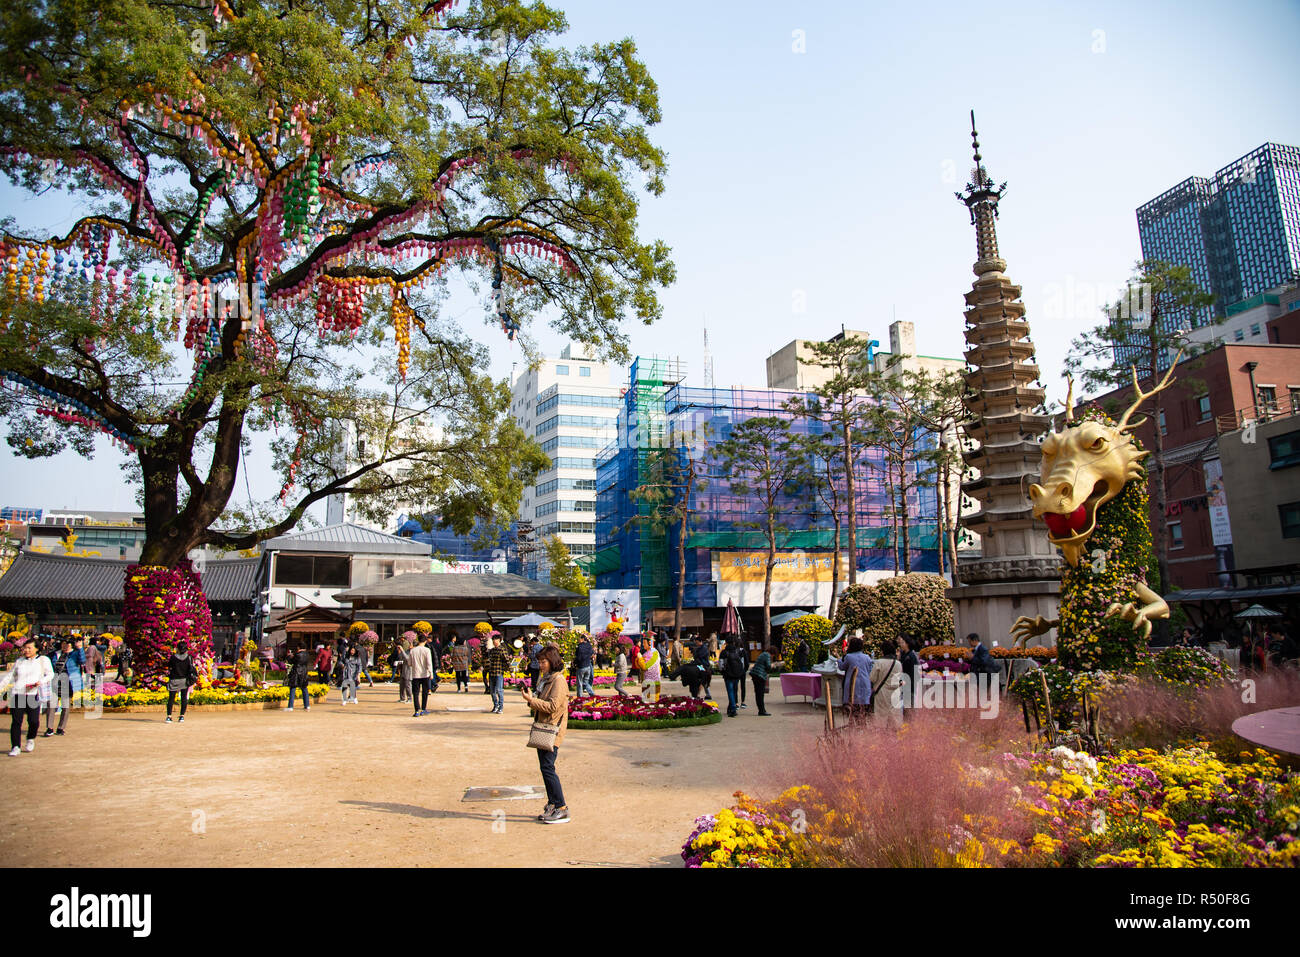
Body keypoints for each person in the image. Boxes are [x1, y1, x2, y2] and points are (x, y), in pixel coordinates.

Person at [521, 645, 570, 825]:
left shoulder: (558, 681)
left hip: (552, 730)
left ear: (552, 661)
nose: (541, 665)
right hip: (543, 727)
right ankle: (552, 803)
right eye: (539, 661)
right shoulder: (547, 678)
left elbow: (552, 706)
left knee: (548, 768)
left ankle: (561, 807)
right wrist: (531, 698)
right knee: (544, 767)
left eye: (544, 661)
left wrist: (532, 701)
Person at [2, 638, 53, 756]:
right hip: (18, 694)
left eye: (29, 648)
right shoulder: (19, 661)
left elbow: (50, 674)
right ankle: (15, 746)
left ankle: (30, 738)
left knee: (34, 721)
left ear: (37, 648)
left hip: (33, 694)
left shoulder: (43, 660)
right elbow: (10, 676)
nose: (26, 650)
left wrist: (41, 681)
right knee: (16, 721)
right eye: (25, 648)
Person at [43, 639, 74, 737]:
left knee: (65, 706)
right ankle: (49, 728)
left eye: (68, 644)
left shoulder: (73, 655)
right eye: (64, 644)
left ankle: (61, 728)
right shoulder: (53, 655)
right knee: (51, 705)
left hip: (67, 682)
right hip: (54, 682)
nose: (65, 646)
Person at [871, 638, 904, 728]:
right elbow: (899, 679)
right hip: (895, 693)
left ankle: (882, 737)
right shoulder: (898, 664)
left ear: (883, 651)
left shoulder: (879, 663)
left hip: (881, 693)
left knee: (881, 718)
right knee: (894, 718)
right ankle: (895, 737)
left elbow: (872, 678)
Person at [838, 637, 874, 721]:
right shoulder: (867, 657)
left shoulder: (849, 657)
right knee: (863, 705)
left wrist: (839, 660)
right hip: (865, 683)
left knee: (853, 705)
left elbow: (842, 667)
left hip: (852, 683)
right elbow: (870, 669)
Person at [165, 639, 199, 723]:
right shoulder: (189, 658)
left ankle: (169, 716)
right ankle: (181, 716)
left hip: (174, 680)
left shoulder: (173, 657)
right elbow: (190, 669)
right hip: (184, 680)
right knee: (184, 698)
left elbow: (169, 667)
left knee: (171, 699)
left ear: (178, 649)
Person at [720, 636, 748, 717]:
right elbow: (742, 663)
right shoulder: (738, 651)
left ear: (726, 642)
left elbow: (721, 665)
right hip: (737, 674)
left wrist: (722, 672)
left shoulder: (724, 652)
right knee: (734, 691)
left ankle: (733, 708)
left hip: (728, 674)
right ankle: (731, 708)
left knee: (730, 691)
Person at [483, 634, 511, 715]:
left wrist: (511, 671)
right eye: (493, 640)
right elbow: (487, 660)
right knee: (492, 691)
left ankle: (500, 707)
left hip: (499, 672)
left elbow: (507, 660)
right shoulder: (491, 650)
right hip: (491, 672)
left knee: (499, 690)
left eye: (495, 640)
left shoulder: (502, 649)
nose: (494, 641)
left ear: (499, 640)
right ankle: (495, 706)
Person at [409, 634, 433, 716]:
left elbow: (409, 663)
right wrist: (431, 673)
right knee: (425, 692)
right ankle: (423, 709)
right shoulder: (427, 650)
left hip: (415, 674)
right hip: (425, 674)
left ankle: (416, 710)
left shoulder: (413, 650)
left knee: (415, 693)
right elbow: (429, 663)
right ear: (425, 641)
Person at [750, 643, 777, 716]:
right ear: (772, 653)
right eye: (773, 655)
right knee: (760, 694)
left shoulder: (763, 654)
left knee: (758, 693)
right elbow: (768, 667)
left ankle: (761, 710)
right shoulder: (767, 655)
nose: (772, 656)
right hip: (759, 676)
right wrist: (773, 665)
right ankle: (762, 711)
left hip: (755, 674)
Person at [635, 635, 662, 702]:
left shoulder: (654, 653)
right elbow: (639, 666)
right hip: (647, 680)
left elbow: (645, 666)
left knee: (652, 702)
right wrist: (638, 659)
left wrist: (640, 658)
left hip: (653, 681)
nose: (643, 645)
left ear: (650, 643)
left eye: (644, 643)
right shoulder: (647, 653)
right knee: (646, 702)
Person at [898, 635, 920, 716]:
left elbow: (915, 671)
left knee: (910, 706)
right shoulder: (903, 654)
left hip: (910, 685)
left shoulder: (912, 655)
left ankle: (911, 724)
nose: (901, 644)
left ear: (907, 644)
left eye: (903, 642)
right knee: (905, 706)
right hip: (903, 684)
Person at [285, 645, 312, 711]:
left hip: (296, 672)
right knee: (304, 688)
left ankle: (290, 706)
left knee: (293, 688)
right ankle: (307, 705)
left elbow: (291, 662)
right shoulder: (307, 655)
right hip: (304, 672)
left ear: (298, 647)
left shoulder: (297, 655)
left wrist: (289, 656)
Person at [573, 632, 595, 697]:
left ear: (582, 639)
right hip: (588, 666)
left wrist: (575, 664)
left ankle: (580, 696)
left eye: (579, 639)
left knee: (579, 682)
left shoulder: (579, 647)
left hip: (581, 667)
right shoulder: (589, 645)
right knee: (586, 682)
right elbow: (592, 654)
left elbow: (578, 658)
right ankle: (591, 693)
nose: (578, 640)